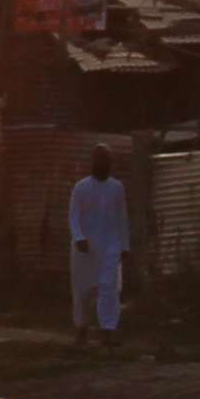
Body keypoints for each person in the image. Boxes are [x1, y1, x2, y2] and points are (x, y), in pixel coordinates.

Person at [67, 143, 130, 350]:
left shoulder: (117, 188)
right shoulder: (81, 187)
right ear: (93, 162)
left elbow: (122, 218)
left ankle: (108, 332)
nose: (103, 163)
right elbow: (74, 216)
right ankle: (81, 330)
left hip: (110, 248)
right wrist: (79, 238)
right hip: (85, 249)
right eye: (99, 159)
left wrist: (125, 246)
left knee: (110, 289)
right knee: (82, 291)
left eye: (107, 160)